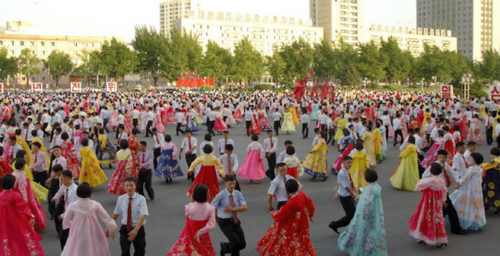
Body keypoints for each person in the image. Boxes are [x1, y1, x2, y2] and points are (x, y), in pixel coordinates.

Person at [256, 179, 316, 255]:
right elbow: (309, 202)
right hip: (302, 222)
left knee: (291, 239)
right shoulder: (301, 194)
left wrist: (273, 213)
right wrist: (311, 214)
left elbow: (281, 213)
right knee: (302, 238)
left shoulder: (291, 203)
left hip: (293, 223)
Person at [338, 169, 388, 256]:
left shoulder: (369, 189)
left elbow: (367, 202)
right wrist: (361, 196)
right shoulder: (378, 186)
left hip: (369, 213)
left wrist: (364, 214)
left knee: (362, 228)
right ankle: (374, 247)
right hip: (376, 211)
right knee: (374, 227)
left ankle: (361, 248)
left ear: (366, 179)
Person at [61, 182, 117, 256]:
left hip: (78, 231)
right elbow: (106, 218)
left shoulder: (72, 206)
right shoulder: (95, 204)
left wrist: (72, 224)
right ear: (90, 193)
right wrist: (112, 228)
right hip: (93, 231)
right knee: (95, 248)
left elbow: (66, 221)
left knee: (76, 248)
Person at [422, 149, 466, 235]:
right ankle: (455, 228)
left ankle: (432, 226)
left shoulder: (445, 164)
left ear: (447, 158)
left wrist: (458, 181)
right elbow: (424, 176)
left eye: (444, 157)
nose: (442, 159)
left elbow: (453, 173)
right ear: (437, 157)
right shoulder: (434, 166)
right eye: (440, 157)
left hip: (443, 191)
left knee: (444, 209)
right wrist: (432, 183)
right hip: (438, 191)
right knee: (450, 210)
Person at [0, 174, 44, 255]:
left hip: (4, 222)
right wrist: (31, 216)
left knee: (8, 239)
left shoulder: (1, 195)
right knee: (20, 239)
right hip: (16, 221)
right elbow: (23, 208)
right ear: (12, 184)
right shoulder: (15, 195)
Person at [167, 184, 216, 255]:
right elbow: (212, 224)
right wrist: (200, 231)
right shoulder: (210, 208)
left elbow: (187, 220)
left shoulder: (188, 207)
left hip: (189, 232)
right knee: (204, 251)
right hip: (203, 234)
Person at [409, 163, 448, 247]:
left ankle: (421, 236)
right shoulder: (441, 180)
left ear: (430, 171)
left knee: (425, 217)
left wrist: (417, 188)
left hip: (428, 202)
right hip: (437, 202)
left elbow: (420, 184)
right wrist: (443, 200)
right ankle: (440, 239)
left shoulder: (431, 180)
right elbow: (444, 190)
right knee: (437, 218)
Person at [211, 174, 247, 256]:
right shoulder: (220, 195)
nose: (232, 186)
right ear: (225, 183)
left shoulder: (238, 194)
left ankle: (225, 247)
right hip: (224, 221)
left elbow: (245, 207)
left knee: (242, 244)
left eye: (234, 183)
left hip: (235, 220)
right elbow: (212, 207)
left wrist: (233, 209)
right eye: (230, 184)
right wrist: (215, 217)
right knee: (235, 242)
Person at [112, 177, 149, 256]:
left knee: (140, 252)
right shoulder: (121, 199)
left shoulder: (141, 199)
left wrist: (135, 230)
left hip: (138, 228)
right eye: (127, 185)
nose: (129, 188)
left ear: (135, 186)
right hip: (125, 228)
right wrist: (110, 227)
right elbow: (116, 214)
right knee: (125, 252)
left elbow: (143, 215)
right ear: (124, 187)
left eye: (131, 185)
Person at [450, 152, 486, 231]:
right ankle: (475, 221)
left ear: (475, 160)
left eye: (471, 158)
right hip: (477, 190)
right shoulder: (479, 168)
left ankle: (464, 220)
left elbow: (465, 178)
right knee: (475, 204)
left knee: (462, 203)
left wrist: (458, 182)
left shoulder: (472, 169)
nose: (470, 160)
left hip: (469, 189)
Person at [12, 158, 46, 230]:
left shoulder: (14, 173)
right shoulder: (21, 175)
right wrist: (25, 200)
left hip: (16, 194)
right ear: (22, 167)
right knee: (31, 208)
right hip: (25, 194)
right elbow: (22, 189)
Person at [329, 156, 357, 234]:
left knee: (352, 215)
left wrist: (337, 193)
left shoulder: (347, 171)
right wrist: (354, 196)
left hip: (347, 195)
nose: (350, 164)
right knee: (350, 216)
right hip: (346, 197)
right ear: (343, 162)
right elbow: (346, 187)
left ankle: (352, 230)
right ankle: (334, 224)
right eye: (348, 162)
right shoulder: (342, 173)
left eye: (351, 162)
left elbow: (341, 184)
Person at [51, 170, 78, 249]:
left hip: (72, 217)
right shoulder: (65, 186)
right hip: (67, 215)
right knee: (64, 237)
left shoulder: (75, 190)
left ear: (68, 178)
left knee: (68, 236)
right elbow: (60, 192)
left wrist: (63, 215)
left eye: (63, 179)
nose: (62, 180)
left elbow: (72, 205)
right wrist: (55, 198)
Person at [481, 147, 500, 214]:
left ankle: (492, 206)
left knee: (489, 191)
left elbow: (485, 166)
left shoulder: (495, 161)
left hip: (493, 180)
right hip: (497, 179)